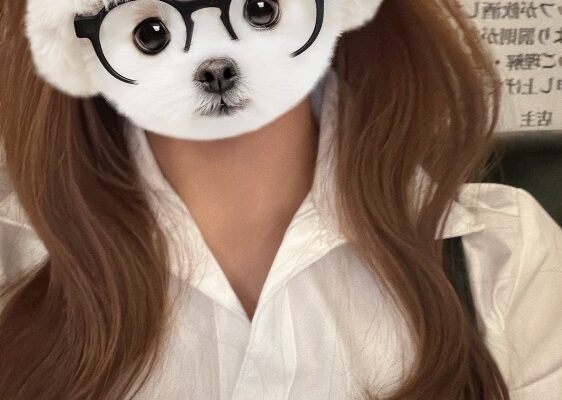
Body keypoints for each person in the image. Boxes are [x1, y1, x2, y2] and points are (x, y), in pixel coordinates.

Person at [0, 0, 561, 399]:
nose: (216, 62)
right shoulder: (14, 265)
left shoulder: (502, 257)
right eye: (151, 31)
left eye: (260, 9)